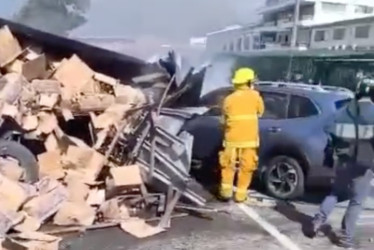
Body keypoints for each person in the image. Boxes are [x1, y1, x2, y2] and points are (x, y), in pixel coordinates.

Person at [310, 78, 374, 249]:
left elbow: (328, 129)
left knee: (335, 192)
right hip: (364, 164)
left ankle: (318, 220)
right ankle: (346, 237)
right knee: (356, 201)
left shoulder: (344, 111)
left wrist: (337, 145)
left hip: (343, 161)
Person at [218, 67, 264, 203]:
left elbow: (223, 120)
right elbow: (260, 112)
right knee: (247, 167)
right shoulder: (255, 96)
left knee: (228, 166)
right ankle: (240, 195)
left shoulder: (229, 99)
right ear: (249, 82)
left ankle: (226, 193)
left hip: (231, 139)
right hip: (249, 140)